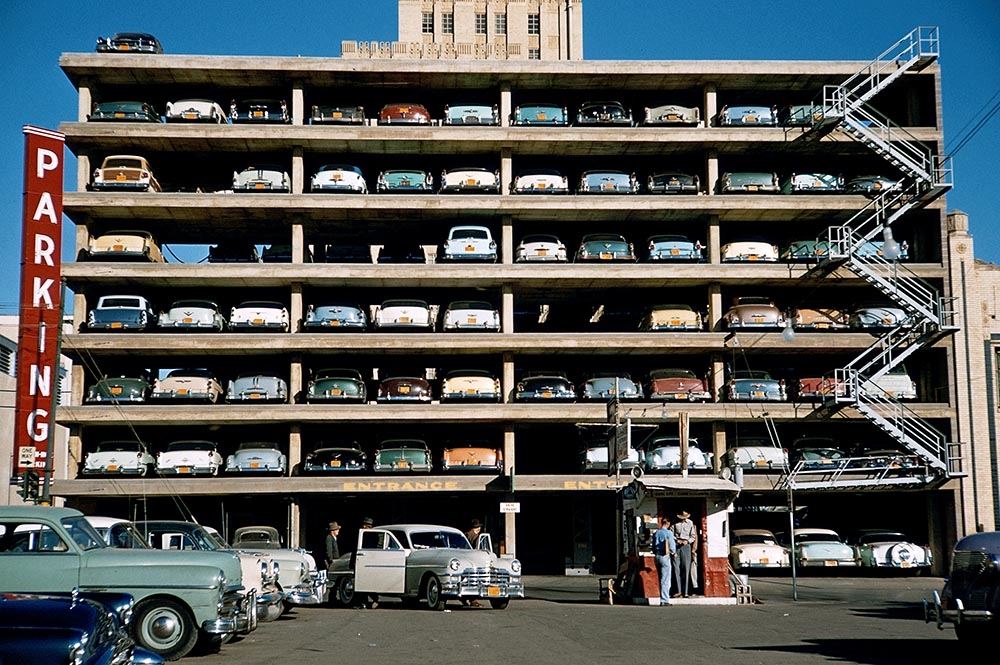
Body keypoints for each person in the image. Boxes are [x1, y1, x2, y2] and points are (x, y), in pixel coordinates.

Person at [671, 510, 697, 598]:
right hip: (676, 545)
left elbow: (693, 536)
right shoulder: (674, 523)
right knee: (676, 568)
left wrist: (687, 541)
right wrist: (676, 539)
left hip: (686, 546)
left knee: (686, 569)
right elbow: (671, 533)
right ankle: (678, 590)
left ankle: (685, 591)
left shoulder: (690, 523)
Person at [653, 514, 677, 605]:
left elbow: (654, 546)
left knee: (660, 578)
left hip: (657, 555)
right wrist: (674, 552)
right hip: (664, 556)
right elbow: (672, 546)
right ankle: (664, 600)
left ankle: (662, 597)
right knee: (665, 579)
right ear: (668, 523)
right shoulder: (668, 533)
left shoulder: (656, 533)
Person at [462, 519, 484, 607]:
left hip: (464, 560)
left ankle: (465, 598)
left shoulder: (465, 535)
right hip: (474, 559)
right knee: (475, 580)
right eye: (478, 527)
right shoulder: (477, 536)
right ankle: (473, 600)